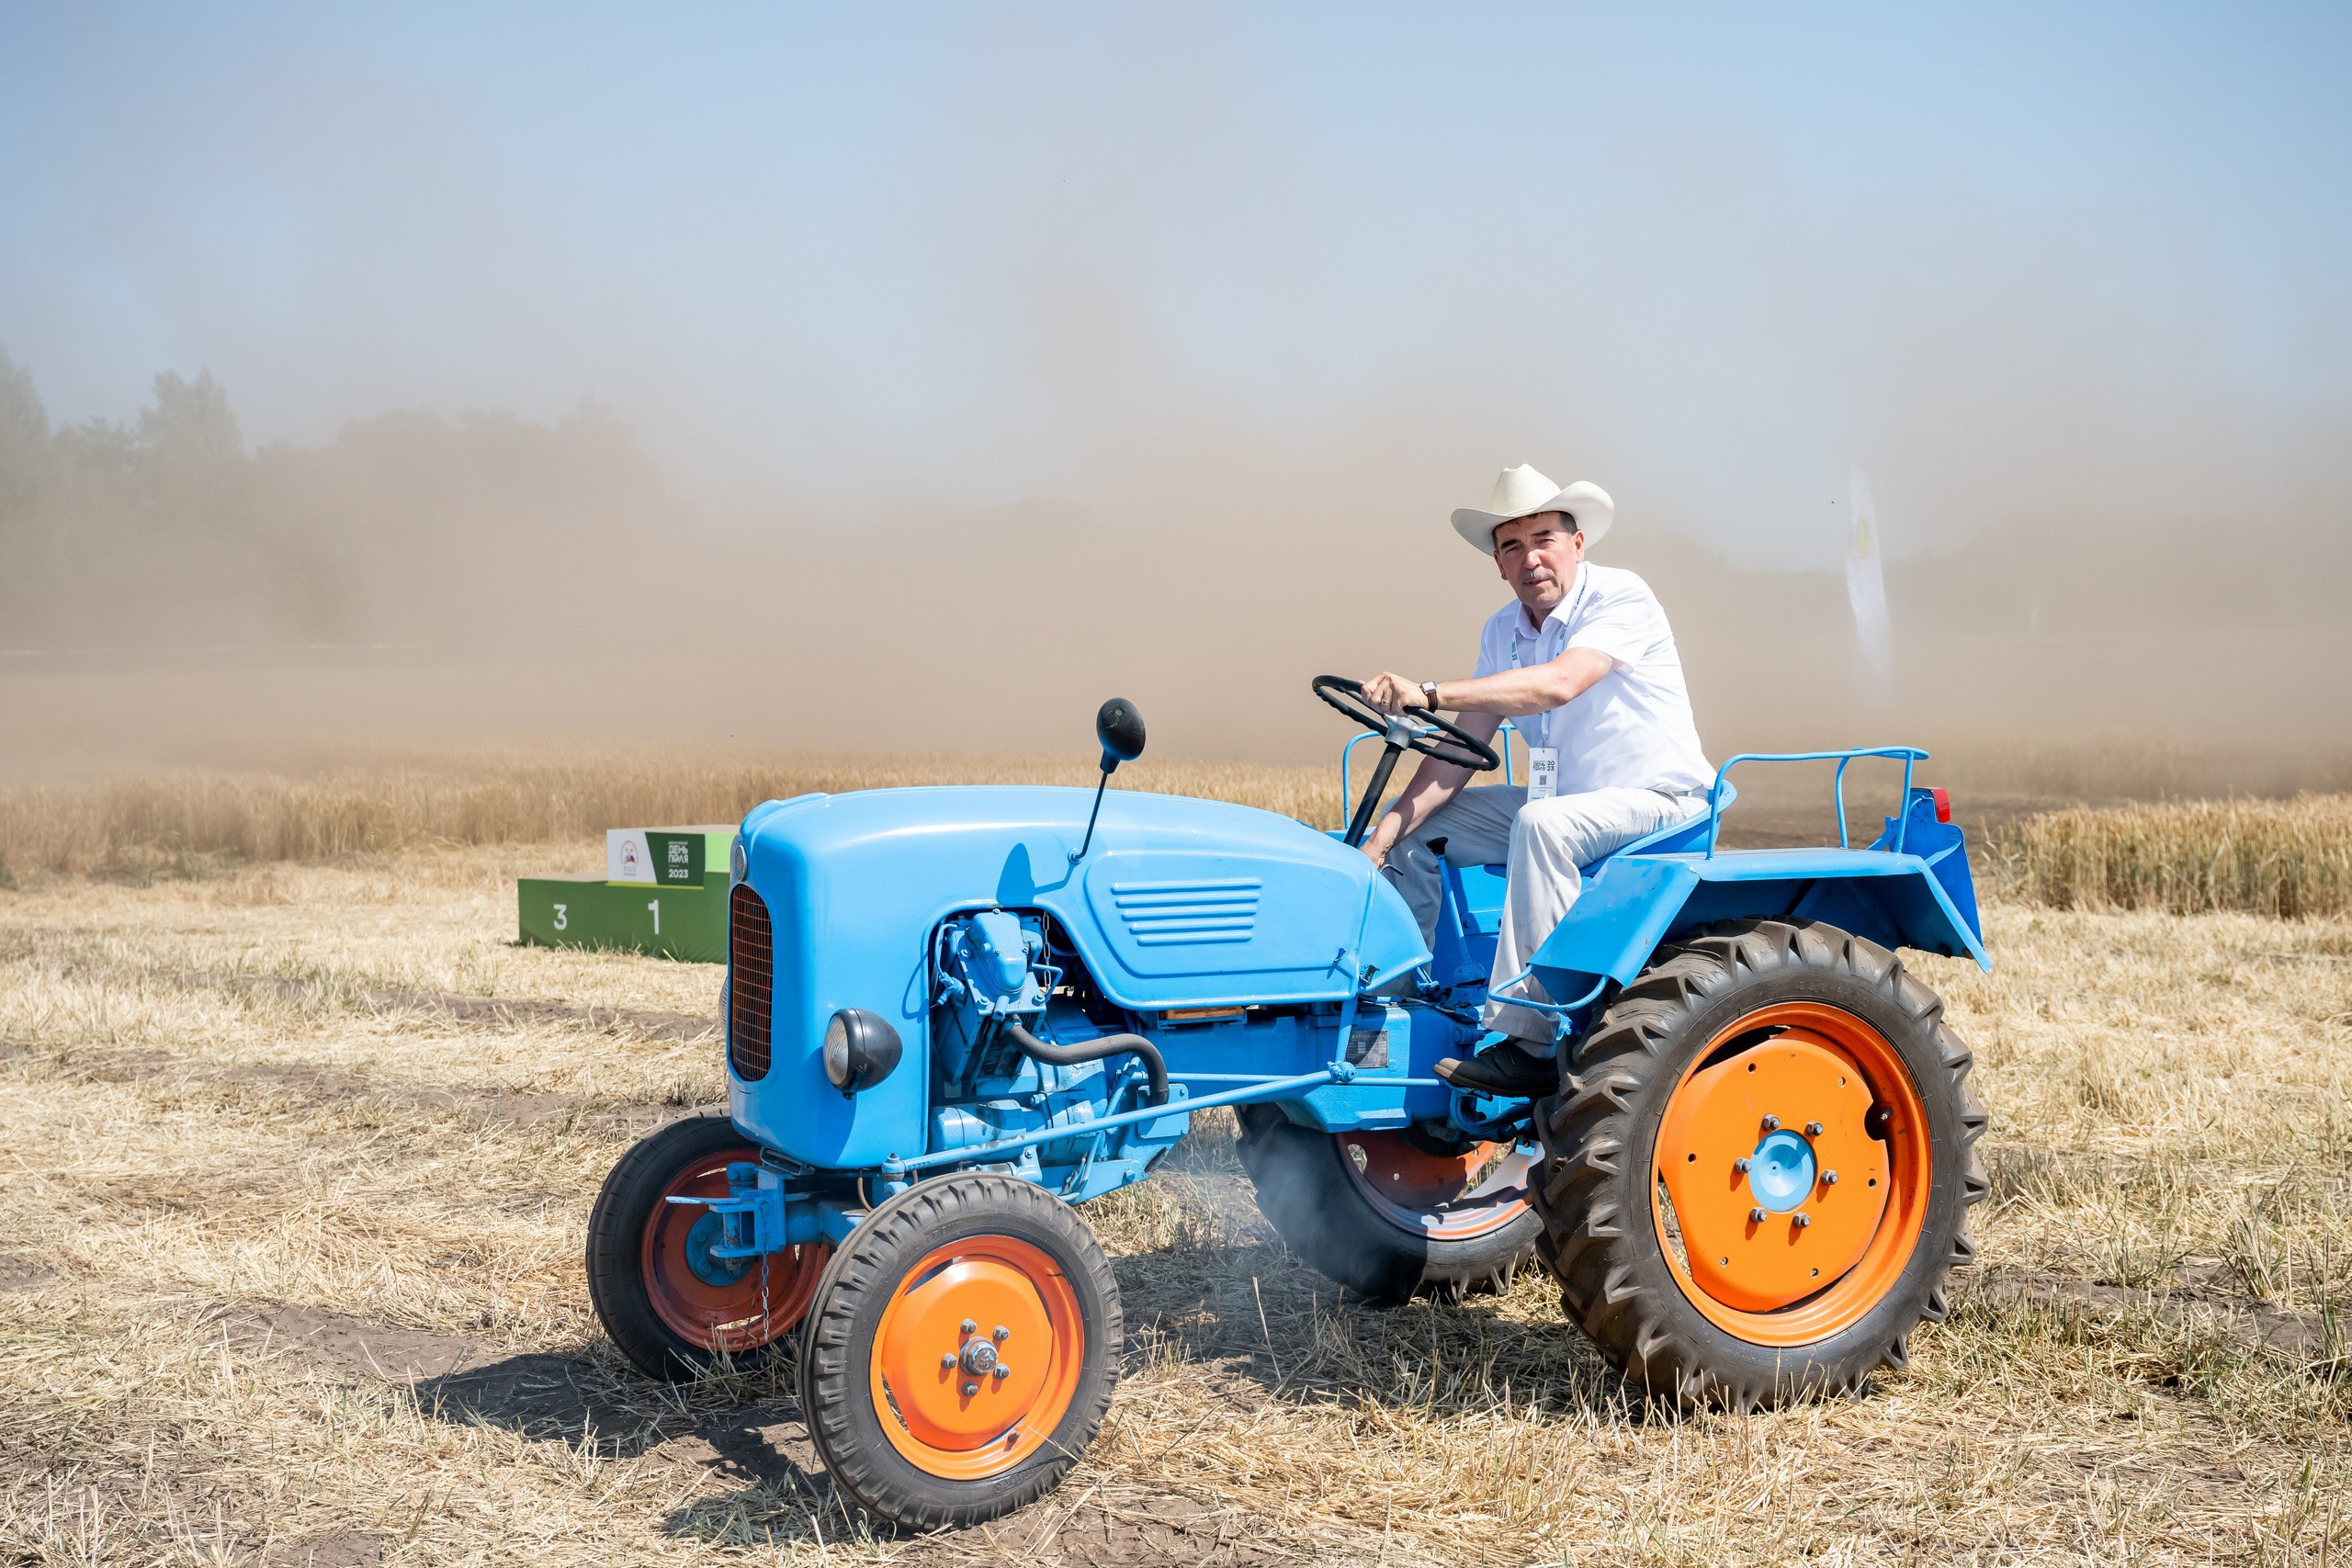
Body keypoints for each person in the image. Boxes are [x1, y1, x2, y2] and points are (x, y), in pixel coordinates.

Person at [1357, 464, 1714, 1098]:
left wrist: (1428, 692)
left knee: (1540, 823)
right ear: (1497, 562)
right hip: (1571, 801)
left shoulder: (1620, 597)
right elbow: (1459, 753)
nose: (1531, 559)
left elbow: (1559, 682)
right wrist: (1384, 835)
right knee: (1421, 830)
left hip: (1658, 800)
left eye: (1544, 538)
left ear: (1578, 543)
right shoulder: (1502, 631)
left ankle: (1530, 1040)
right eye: (1512, 545)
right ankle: (1399, 1000)